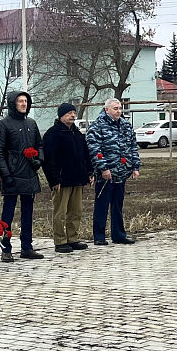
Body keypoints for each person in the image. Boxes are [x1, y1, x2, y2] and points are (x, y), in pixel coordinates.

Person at [0, 90, 44, 260]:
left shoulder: (31, 123)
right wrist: (6, 175)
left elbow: (39, 145)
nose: (23, 104)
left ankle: (27, 247)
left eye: (26, 101)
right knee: (8, 214)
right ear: (12, 103)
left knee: (28, 213)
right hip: (12, 174)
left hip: (29, 174)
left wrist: (39, 160)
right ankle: (6, 248)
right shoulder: (3, 124)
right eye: (20, 101)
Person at [87, 97, 141, 244]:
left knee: (118, 205)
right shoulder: (97, 126)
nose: (118, 111)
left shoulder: (125, 125)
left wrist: (135, 166)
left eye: (120, 108)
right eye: (115, 109)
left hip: (121, 172)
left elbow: (132, 146)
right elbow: (94, 149)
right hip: (106, 174)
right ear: (106, 110)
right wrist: (103, 168)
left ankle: (118, 235)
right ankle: (99, 236)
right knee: (102, 204)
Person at [42, 102, 94, 251]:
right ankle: (60, 241)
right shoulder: (53, 134)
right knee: (60, 212)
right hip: (61, 181)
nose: (73, 115)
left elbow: (85, 155)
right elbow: (48, 159)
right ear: (61, 116)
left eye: (74, 113)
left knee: (76, 211)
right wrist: (54, 179)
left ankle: (73, 238)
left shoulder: (77, 134)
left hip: (77, 179)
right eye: (69, 113)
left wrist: (89, 172)